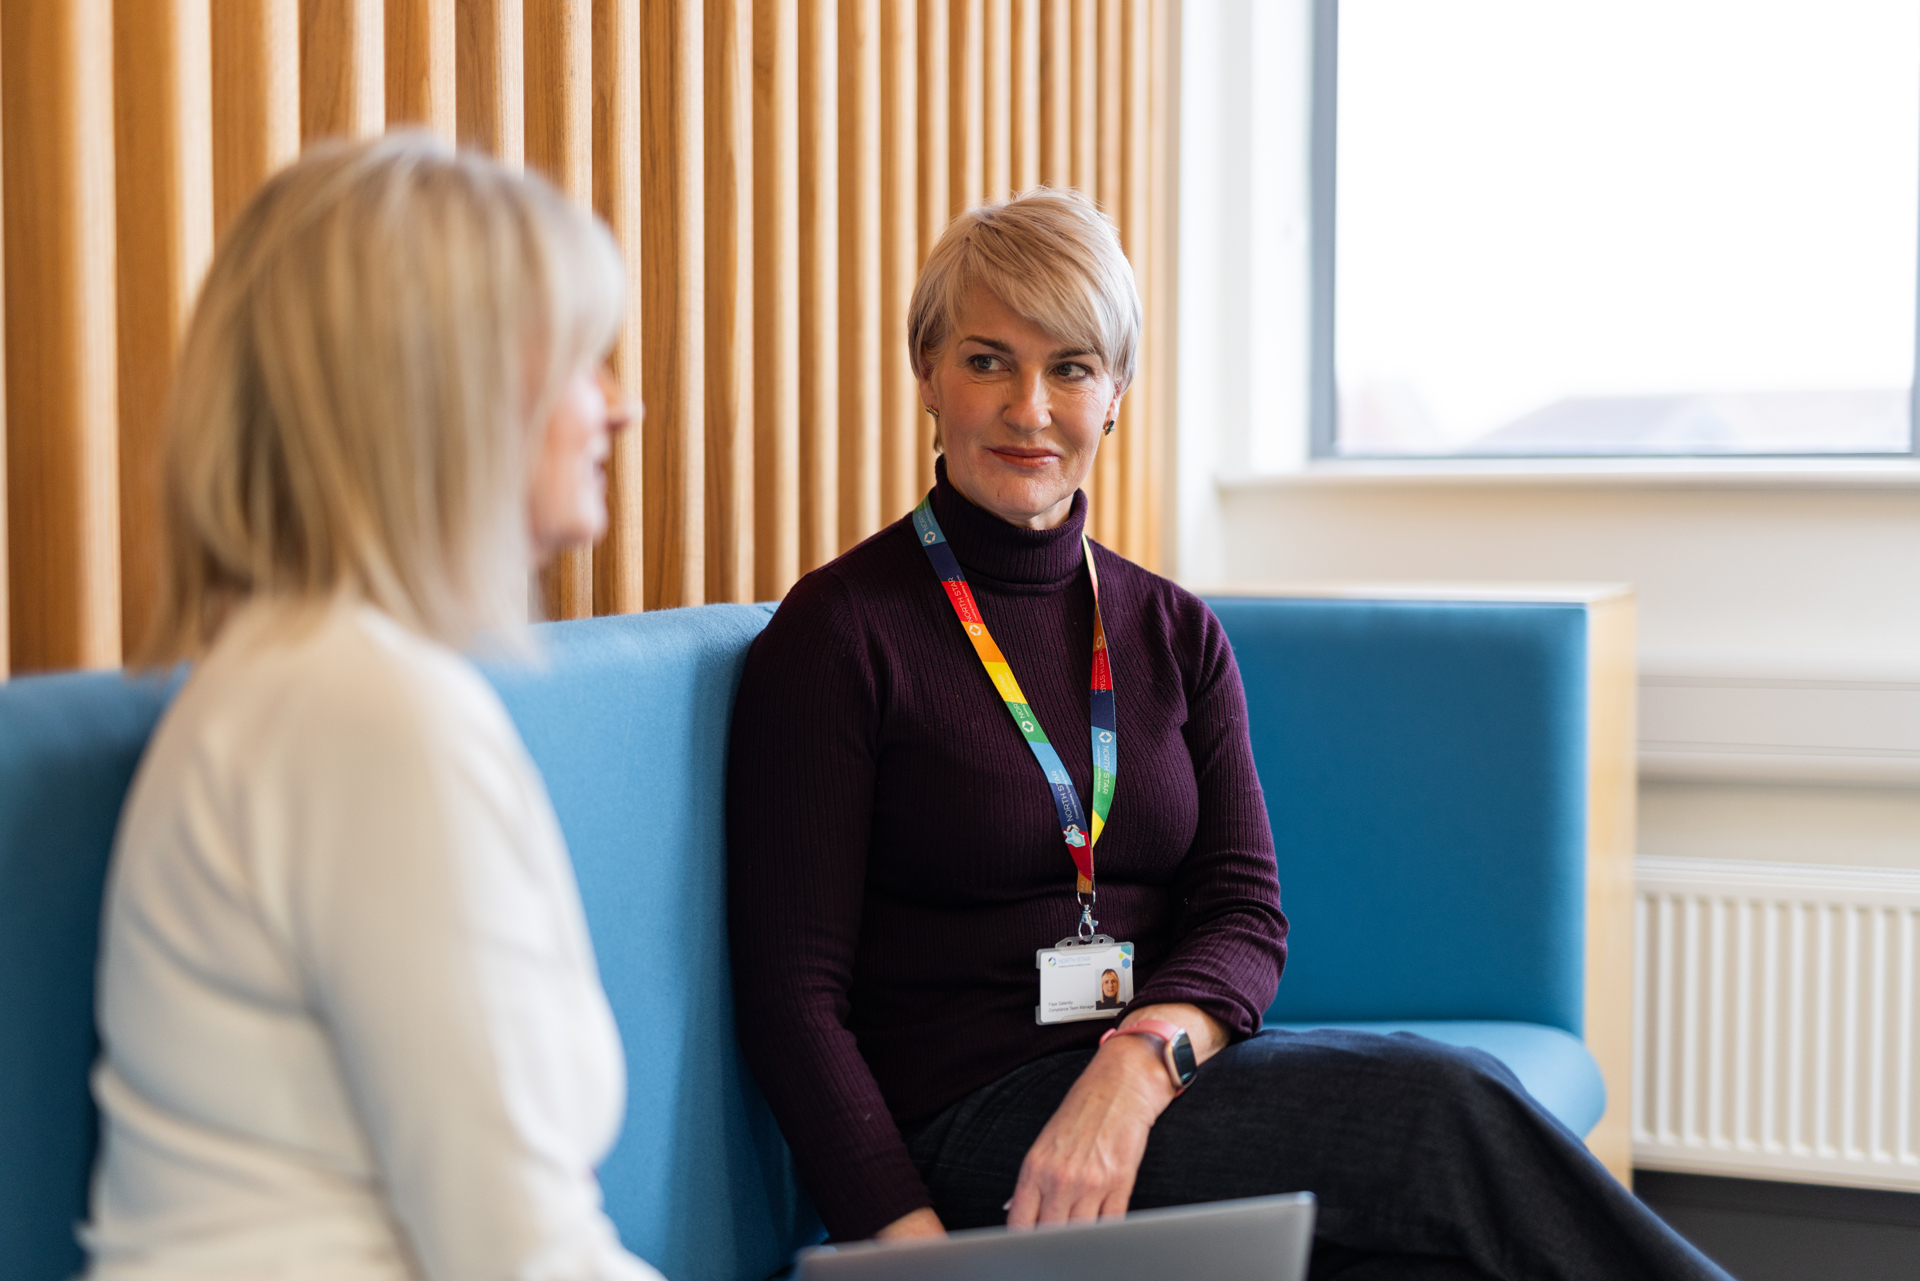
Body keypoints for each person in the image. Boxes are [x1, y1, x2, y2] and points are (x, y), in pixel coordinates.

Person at [726, 188, 1732, 1280]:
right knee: (1440, 1103)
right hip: (972, 1136)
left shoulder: (1170, 629)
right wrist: (913, 1255)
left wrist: (1134, 1066)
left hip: (1158, 1092)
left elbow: (1244, 911)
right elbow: (794, 994)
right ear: (926, 372)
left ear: (1115, 396)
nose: (1029, 407)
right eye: (986, 361)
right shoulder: (837, 635)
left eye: (1070, 367)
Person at [83, 135, 661, 1281]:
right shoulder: (363, 711)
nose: (621, 407)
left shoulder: (326, 677)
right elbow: (518, 1257)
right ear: (449, 390)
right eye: (582, 366)